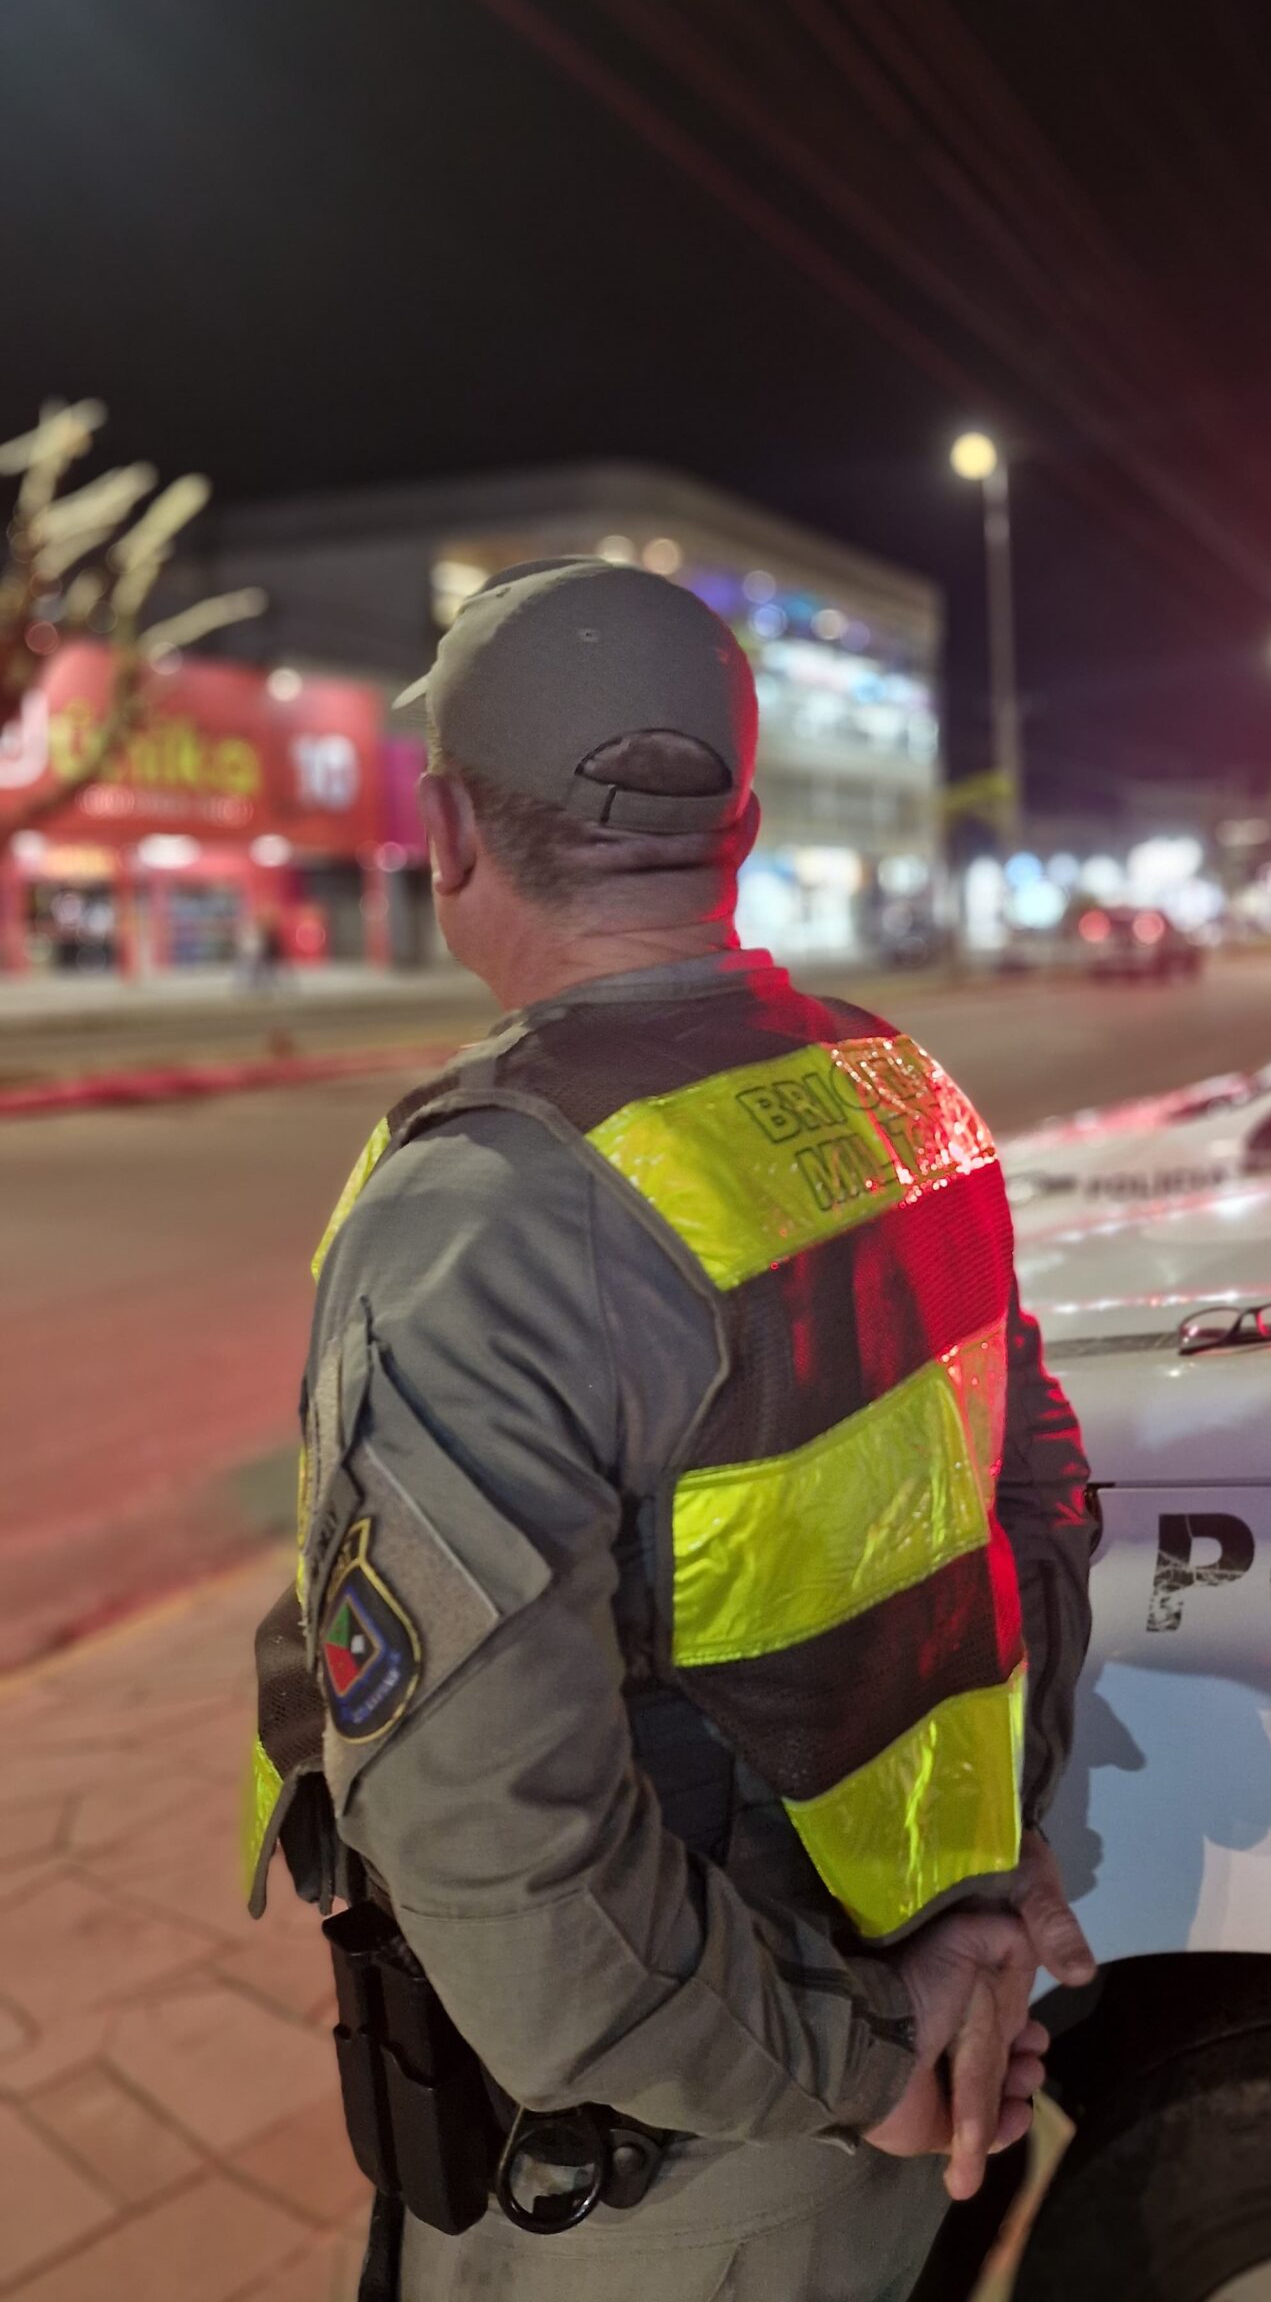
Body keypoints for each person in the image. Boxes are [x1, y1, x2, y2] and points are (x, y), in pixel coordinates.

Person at [243, 557, 1097, 2302]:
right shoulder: (898, 1098)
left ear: (450, 838)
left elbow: (507, 1853)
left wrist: (859, 2056)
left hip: (670, 2155)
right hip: (886, 2061)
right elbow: (1035, 1516)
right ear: (746, 826)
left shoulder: (492, 1210)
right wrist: (979, 1914)